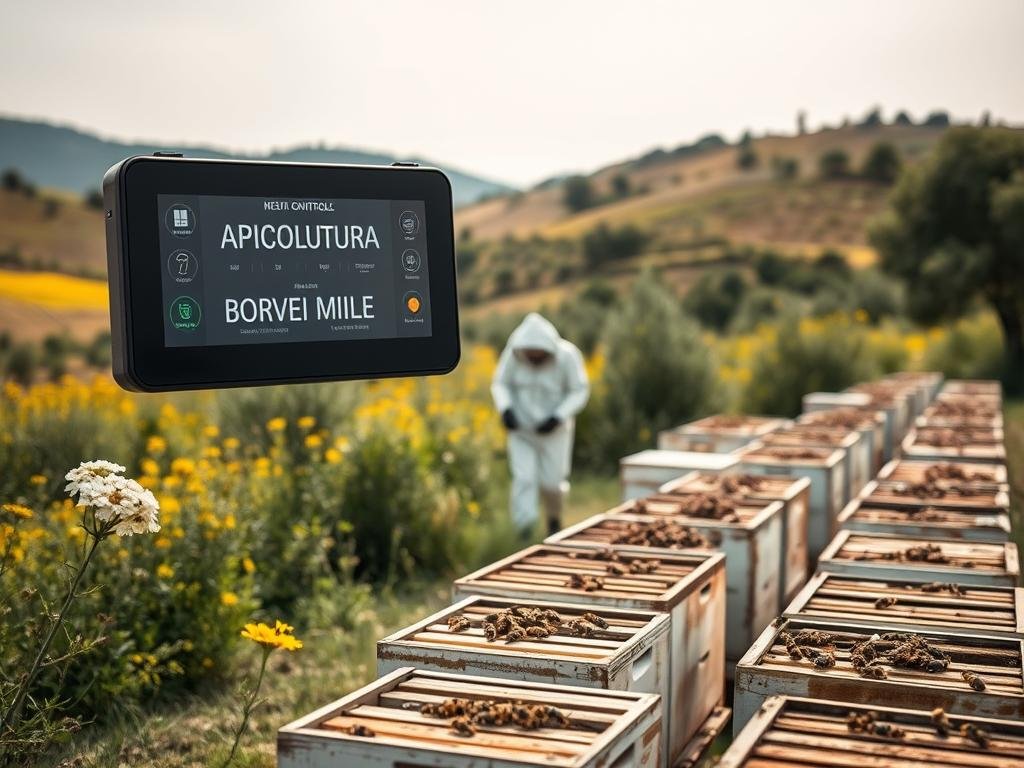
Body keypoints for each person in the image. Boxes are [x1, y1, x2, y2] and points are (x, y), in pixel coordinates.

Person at [491, 313, 589, 538]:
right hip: (521, 431)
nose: (533, 357)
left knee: (552, 483)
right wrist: (505, 409)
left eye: (538, 354)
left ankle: (554, 519)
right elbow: (500, 383)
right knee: (524, 479)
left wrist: (558, 416)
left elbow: (579, 390)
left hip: (555, 432)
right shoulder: (513, 355)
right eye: (529, 353)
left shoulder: (568, 356)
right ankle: (524, 530)